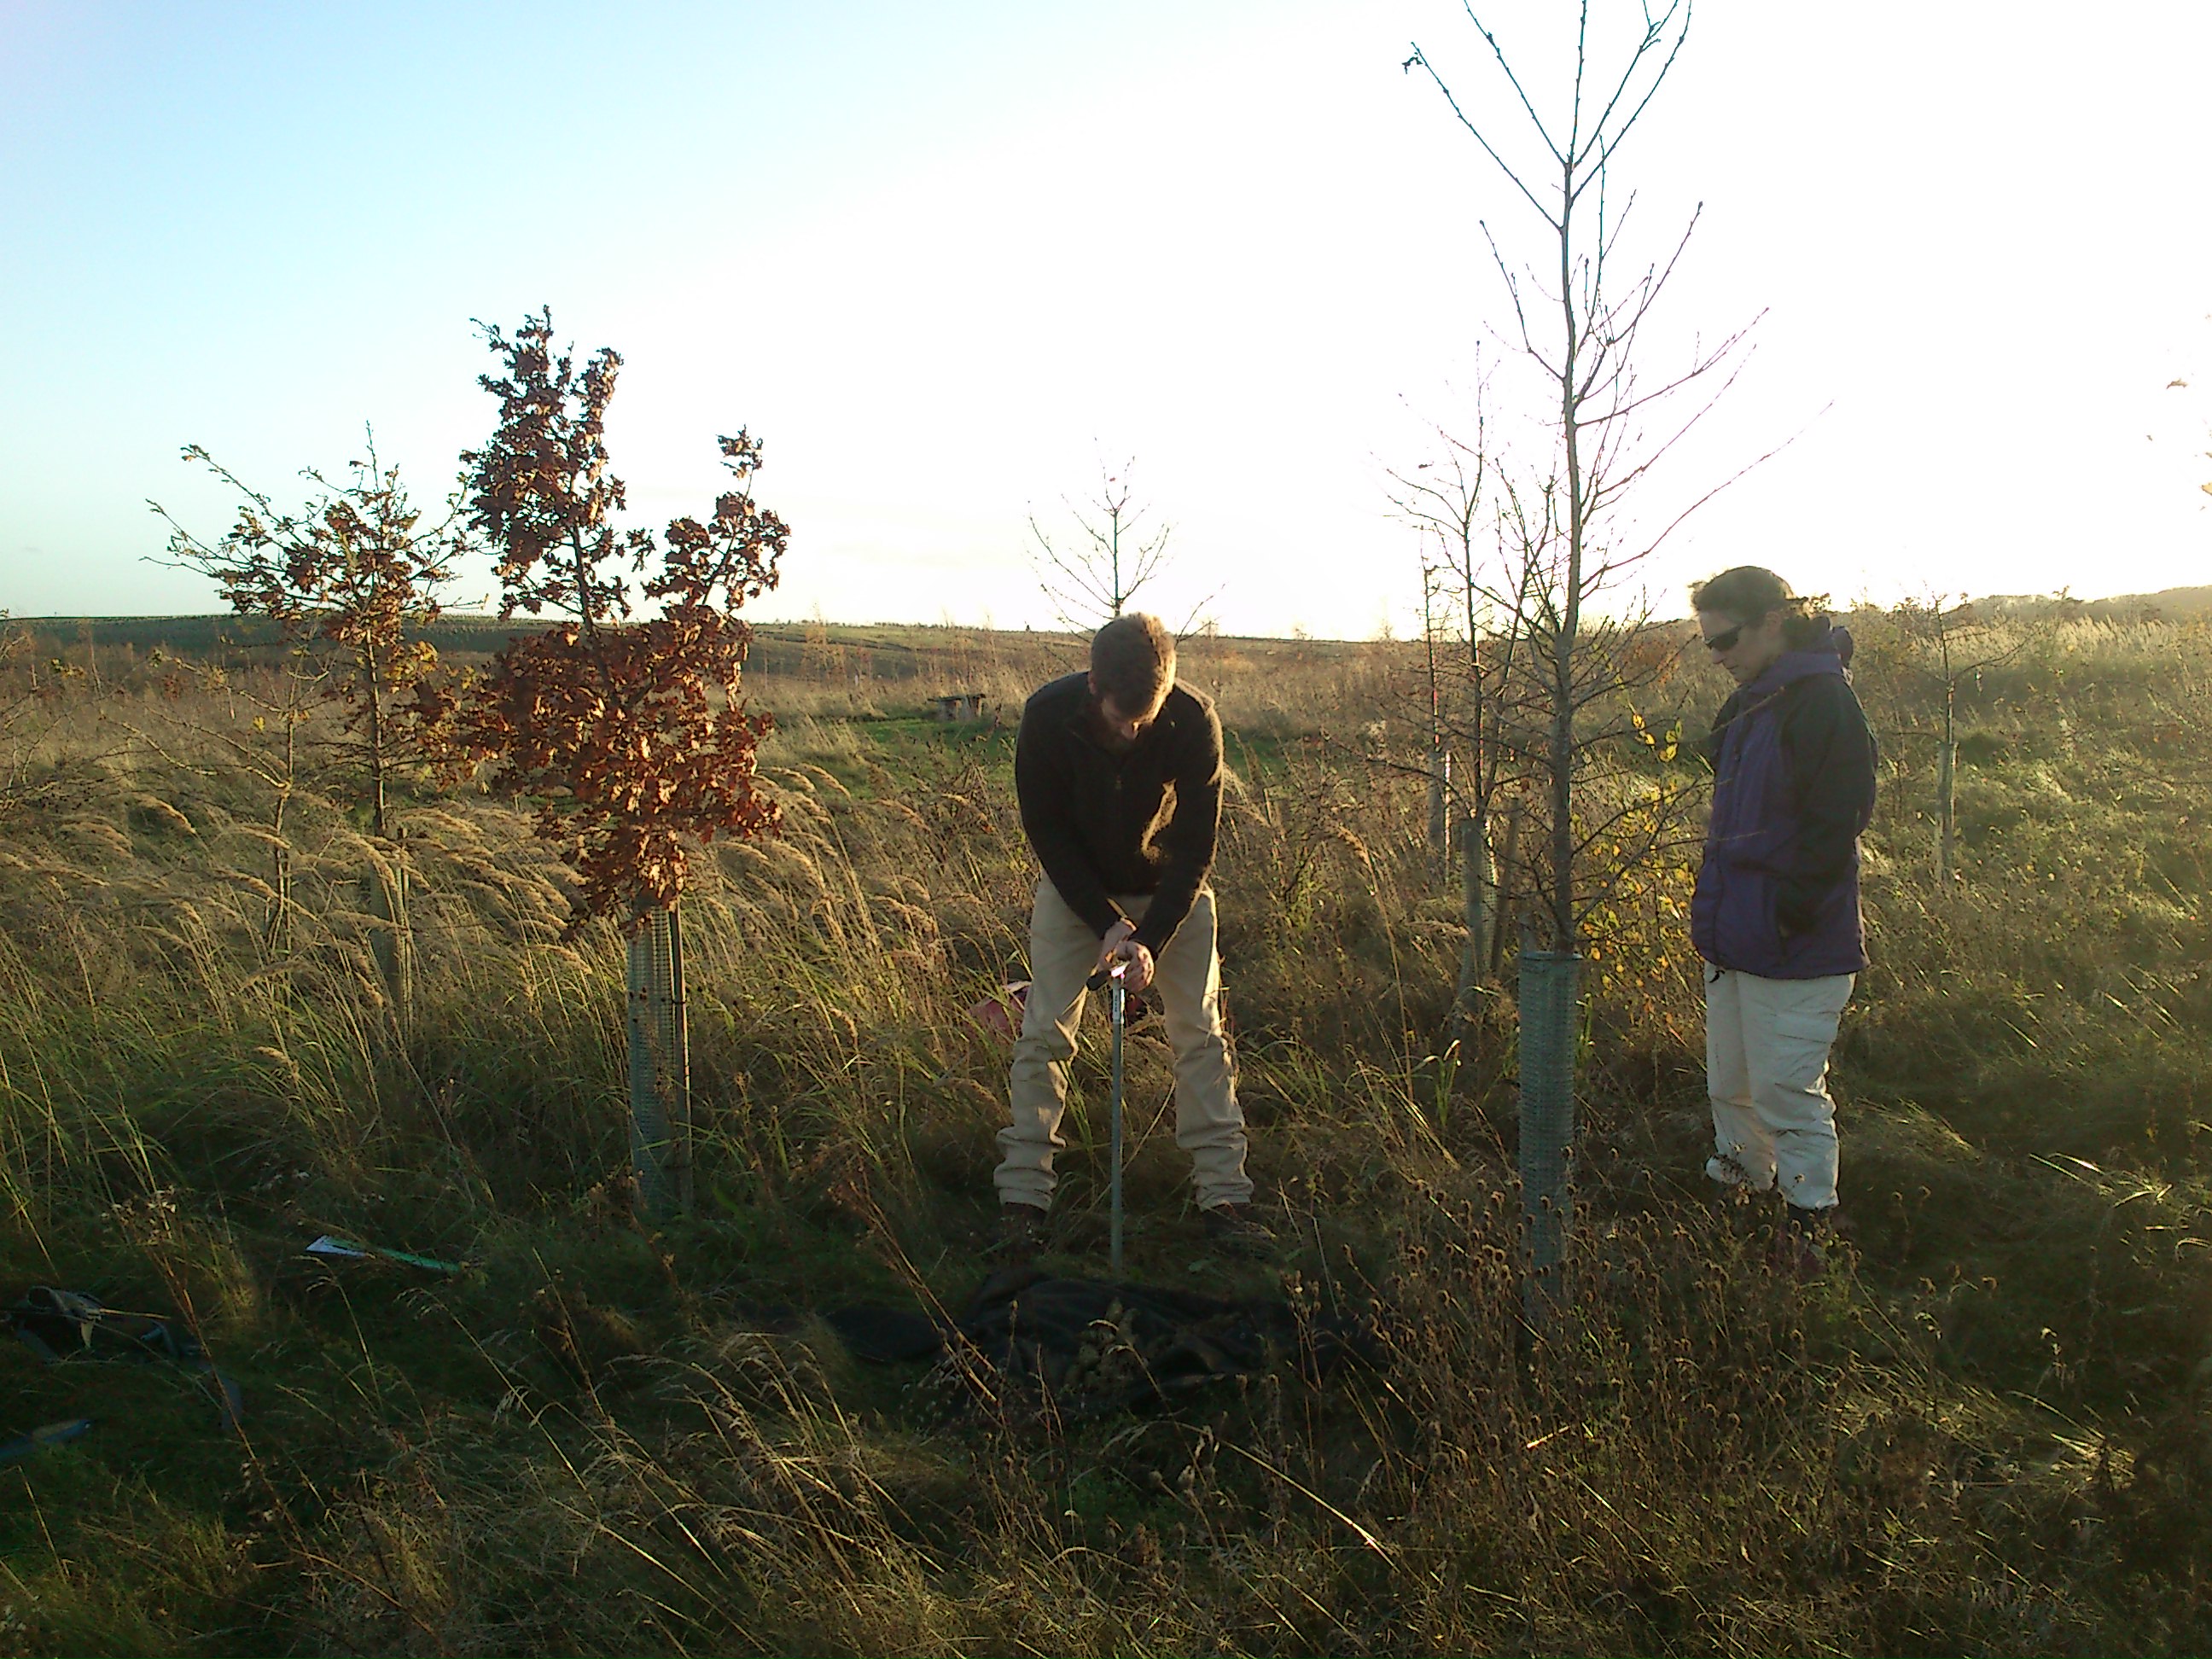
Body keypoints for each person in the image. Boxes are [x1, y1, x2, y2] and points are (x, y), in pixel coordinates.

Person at [994, 612, 1270, 1257]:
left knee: (1200, 1036)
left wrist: (1150, 937)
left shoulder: (1193, 719)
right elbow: (1048, 835)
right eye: (1124, 719)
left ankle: (1224, 1199)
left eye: (1147, 717)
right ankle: (1023, 1203)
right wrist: (1104, 922)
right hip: (1078, 890)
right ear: (1093, 685)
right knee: (1043, 1034)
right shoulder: (1046, 718)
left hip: (1168, 889)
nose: (1135, 730)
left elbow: (1197, 848)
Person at [1689, 567, 1877, 1266]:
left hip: (1797, 942)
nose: (1718, 655)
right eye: (1708, 643)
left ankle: (1809, 1227)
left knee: (1785, 1092)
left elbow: (1838, 823)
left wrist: (1790, 914)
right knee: (1730, 1085)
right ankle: (1741, 1192)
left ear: (1773, 620)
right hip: (1734, 933)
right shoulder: (1752, 703)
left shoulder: (1822, 703)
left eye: (1727, 638)